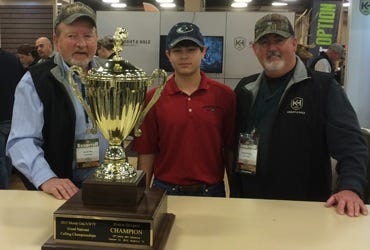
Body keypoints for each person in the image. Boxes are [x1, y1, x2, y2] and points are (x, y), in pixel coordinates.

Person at [233, 14, 368, 217]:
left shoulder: (323, 88)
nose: (272, 48)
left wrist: (350, 187)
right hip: (251, 204)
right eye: (264, 42)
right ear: (255, 49)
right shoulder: (245, 88)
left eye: (279, 40)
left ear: (294, 43)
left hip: (304, 209)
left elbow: (352, 146)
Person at [6, 2, 108, 199]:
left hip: (107, 186)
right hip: (62, 192)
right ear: (57, 40)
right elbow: (21, 140)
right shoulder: (36, 80)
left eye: (88, 36)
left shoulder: (111, 76)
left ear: (96, 38)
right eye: (72, 36)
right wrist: (46, 178)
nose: (81, 43)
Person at [132, 22, 236, 197]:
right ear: (168, 55)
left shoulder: (225, 96)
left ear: (203, 52)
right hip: (164, 191)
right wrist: (142, 196)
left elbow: (229, 149)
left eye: (191, 50)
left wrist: (236, 193)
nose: (184, 56)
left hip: (211, 192)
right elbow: (147, 151)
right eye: (177, 51)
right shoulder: (152, 98)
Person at [0, 48, 25, 189]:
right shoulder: (13, 59)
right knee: (8, 156)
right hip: (13, 114)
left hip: (2, 115)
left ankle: (2, 191)